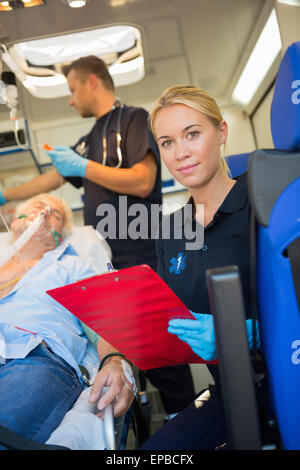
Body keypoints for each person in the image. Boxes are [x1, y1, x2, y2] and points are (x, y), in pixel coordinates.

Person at [0, 56, 195, 421]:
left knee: (163, 357)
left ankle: (185, 428)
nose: (71, 100)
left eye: (73, 89)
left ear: (92, 82)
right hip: (106, 262)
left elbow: (143, 181)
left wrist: (83, 167)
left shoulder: (134, 119)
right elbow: (52, 180)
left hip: (140, 253)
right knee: (134, 351)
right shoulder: (88, 140)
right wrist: (6, 196)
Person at [139, 85, 260, 450]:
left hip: (289, 376)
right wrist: (114, 357)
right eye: (167, 142)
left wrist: (245, 334)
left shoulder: (264, 205)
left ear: (221, 133)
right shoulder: (169, 233)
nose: (181, 153)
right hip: (229, 396)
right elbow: (154, 316)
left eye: (192, 134)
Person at [0, 193, 134, 446]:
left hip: (33, 357)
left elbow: (101, 316)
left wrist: (114, 359)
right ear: (13, 221)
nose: (45, 213)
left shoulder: (70, 265)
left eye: (55, 215)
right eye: (38, 207)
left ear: (59, 236)